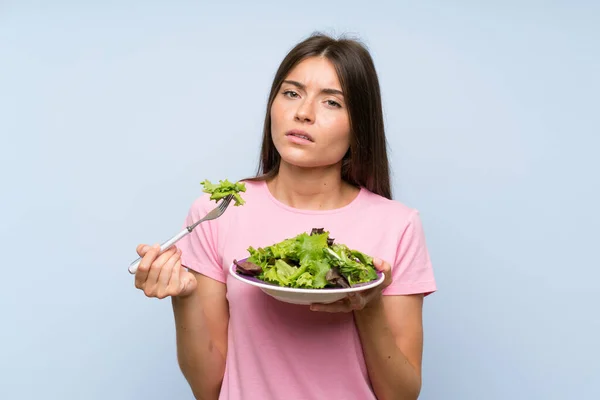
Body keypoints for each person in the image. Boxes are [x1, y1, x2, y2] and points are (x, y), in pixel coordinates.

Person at [133, 32, 437, 400]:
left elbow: (402, 395)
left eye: (332, 103)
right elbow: (207, 387)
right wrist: (182, 299)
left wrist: (368, 305)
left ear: (360, 124)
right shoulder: (219, 212)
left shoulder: (397, 225)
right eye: (291, 93)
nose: (303, 113)